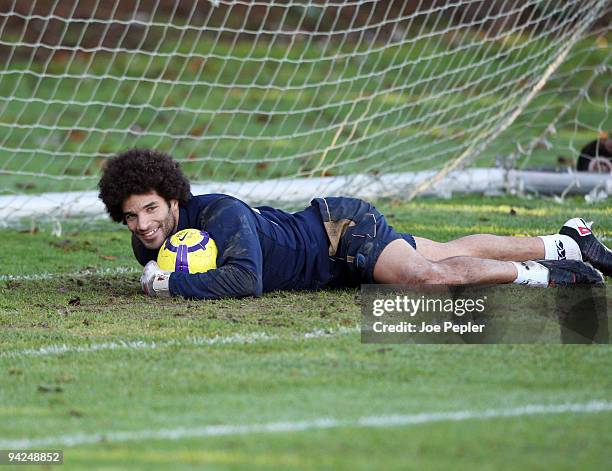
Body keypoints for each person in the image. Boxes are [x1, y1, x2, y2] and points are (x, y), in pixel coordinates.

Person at [98, 149, 609, 299]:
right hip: (330, 261)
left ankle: (544, 275)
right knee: (442, 251)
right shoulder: (150, 243)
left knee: (425, 277)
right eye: (130, 217)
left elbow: (245, 280)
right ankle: (565, 242)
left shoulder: (220, 213)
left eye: (151, 210)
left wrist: (173, 286)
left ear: (173, 198)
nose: (143, 226)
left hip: (338, 233)